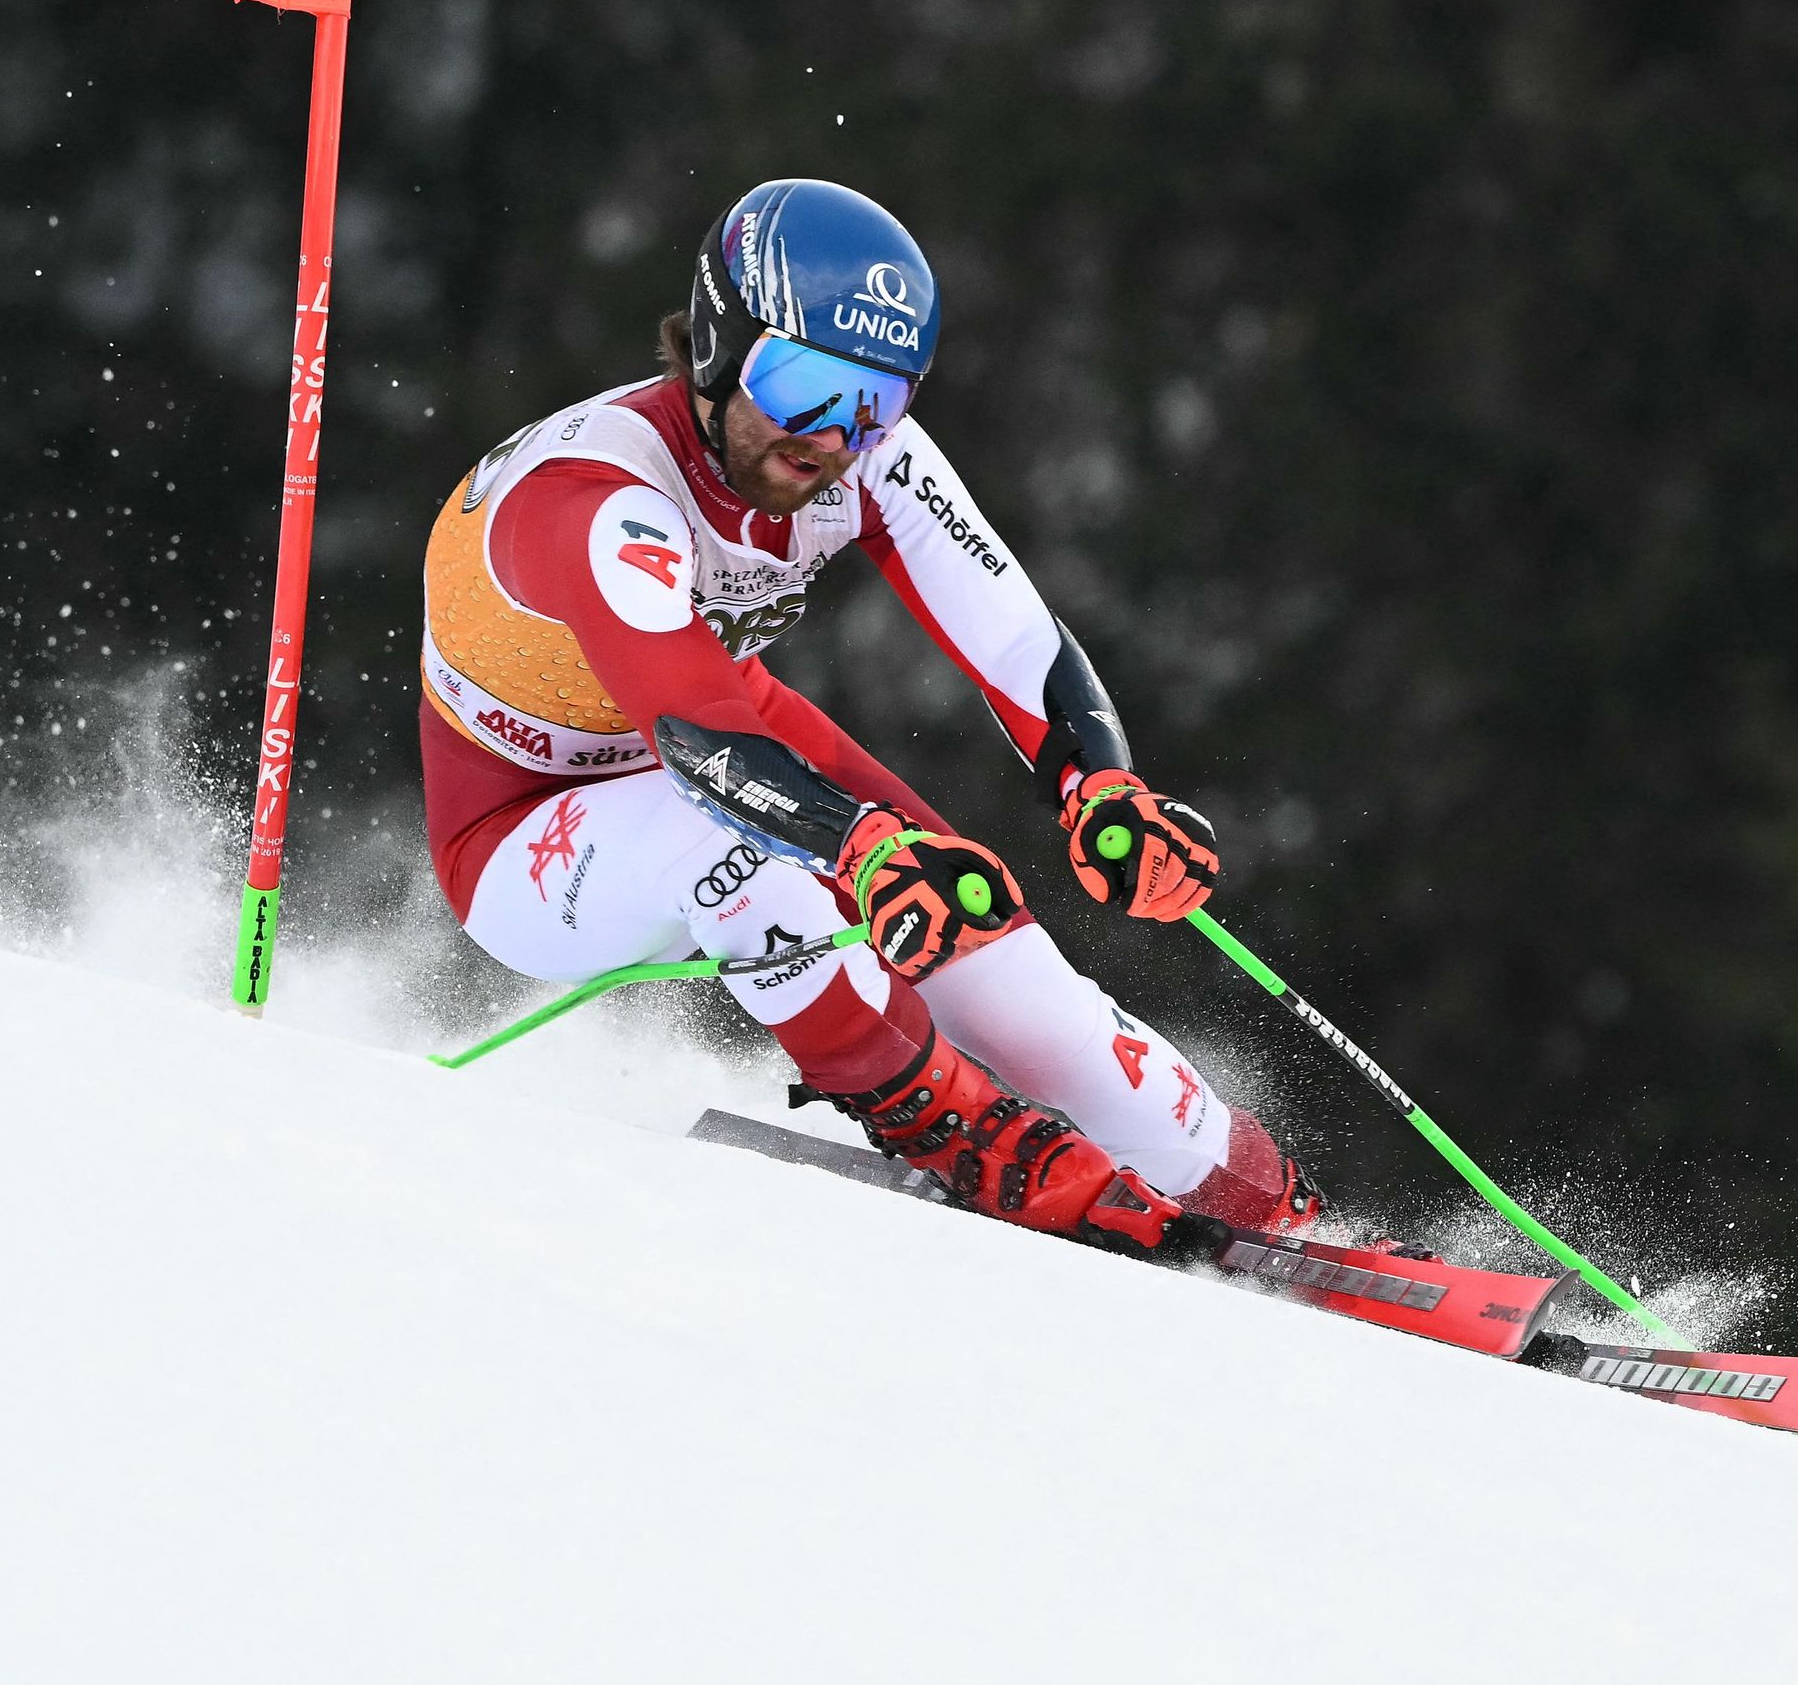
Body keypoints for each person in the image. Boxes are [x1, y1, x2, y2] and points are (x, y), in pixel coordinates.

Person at [417, 176, 1320, 1255]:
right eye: (799, 384)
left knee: (975, 911)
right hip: (527, 825)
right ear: (714, 344)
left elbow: (1014, 640)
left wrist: (1101, 784)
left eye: (875, 401)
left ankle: (1266, 1204)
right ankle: (959, 1133)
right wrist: (859, 844)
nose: (832, 438)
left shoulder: (863, 457)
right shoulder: (594, 496)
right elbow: (704, 741)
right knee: (746, 863)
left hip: (718, 744)